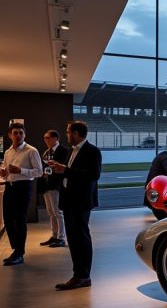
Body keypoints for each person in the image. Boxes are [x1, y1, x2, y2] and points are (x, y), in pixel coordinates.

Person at [49, 121, 102, 290]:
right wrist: (58, 169)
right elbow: (68, 173)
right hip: (69, 200)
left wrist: (65, 170)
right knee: (73, 239)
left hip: (81, 201)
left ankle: (84, 276)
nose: (66, 134)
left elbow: (94, 174)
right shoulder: (70, 151)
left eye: (68, 132)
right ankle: (77, 274)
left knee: (81, 237)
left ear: (76, 133)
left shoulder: (92, 151)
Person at [1, 122, 43, 266]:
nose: (18, 135)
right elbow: (7, 171)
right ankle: (16, 249)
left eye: (21, 133)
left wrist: (21, 171)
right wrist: (4, 173)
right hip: (9, 187)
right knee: (7, 219)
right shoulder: (8, 152)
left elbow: (39, 172)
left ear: (24, 134)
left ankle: (19, 253)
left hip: (23, 188)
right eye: (15, 133)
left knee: (19, 220)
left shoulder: (31, 151)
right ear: (10, 135)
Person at [40, 129, 69, 248]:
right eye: (44, 138)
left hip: (56, 184)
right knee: (51, 212)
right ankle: (54, 235)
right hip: (47, 184)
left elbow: (64, 168)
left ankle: (61, 237)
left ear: (55, 138)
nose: (45, 140)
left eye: (48, 138)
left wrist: (52, 169)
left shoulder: (63, 150)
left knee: (58, 212)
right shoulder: (46, 152)